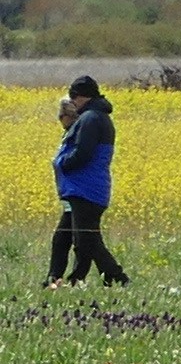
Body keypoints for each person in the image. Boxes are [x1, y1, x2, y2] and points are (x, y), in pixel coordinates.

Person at [44, 79, 123, 287]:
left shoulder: (91, 118)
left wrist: (62, 163)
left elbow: (83, 153)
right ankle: (55, 279)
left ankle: (118, 278)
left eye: (74, 97)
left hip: (86, 189)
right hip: (83, 188)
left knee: (88, 240)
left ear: (82, 96)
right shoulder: (95, 116)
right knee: (64, 237)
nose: (72, 102)